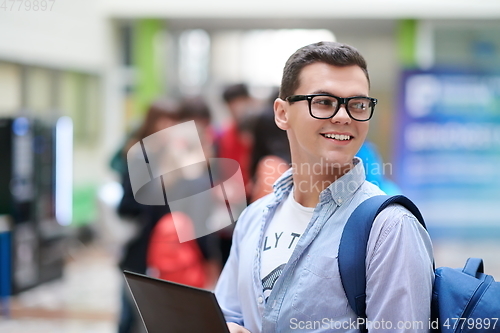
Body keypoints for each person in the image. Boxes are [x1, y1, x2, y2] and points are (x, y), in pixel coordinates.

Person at [214, 41, 434, 333]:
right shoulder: (254, 218)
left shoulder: (390, 228)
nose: (343, 116)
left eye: (357, 104)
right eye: (323, 102)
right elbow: (228, 314)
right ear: (282, 113)